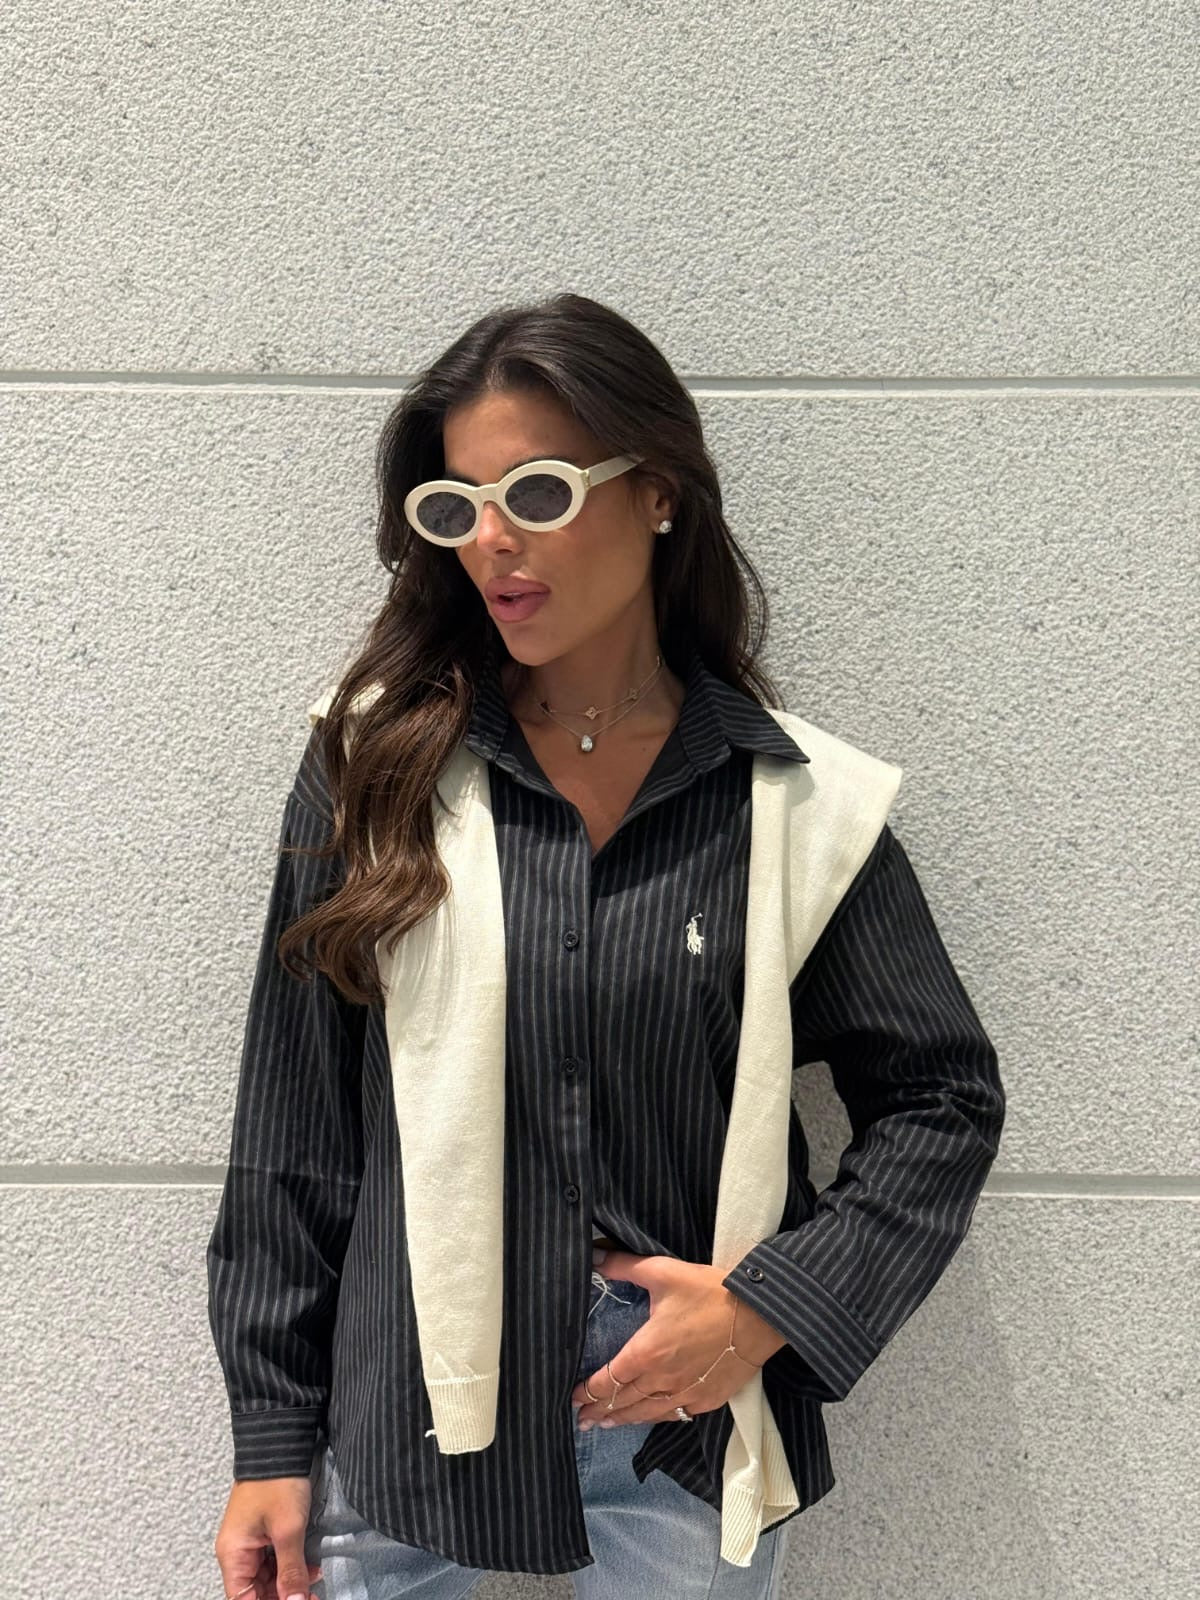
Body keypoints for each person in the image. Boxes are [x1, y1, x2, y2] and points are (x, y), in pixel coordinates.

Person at [208, 292, 1005, 1600]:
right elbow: (296, 1122)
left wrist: (765, 1311)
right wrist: (271, 1437)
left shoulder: (792, 807)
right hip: (406, 1401)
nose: (493, 542)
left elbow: (942, 1100)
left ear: (658, 493)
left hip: (681, 1417)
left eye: (538, 491)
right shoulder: (374, 770)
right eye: (456, 508)